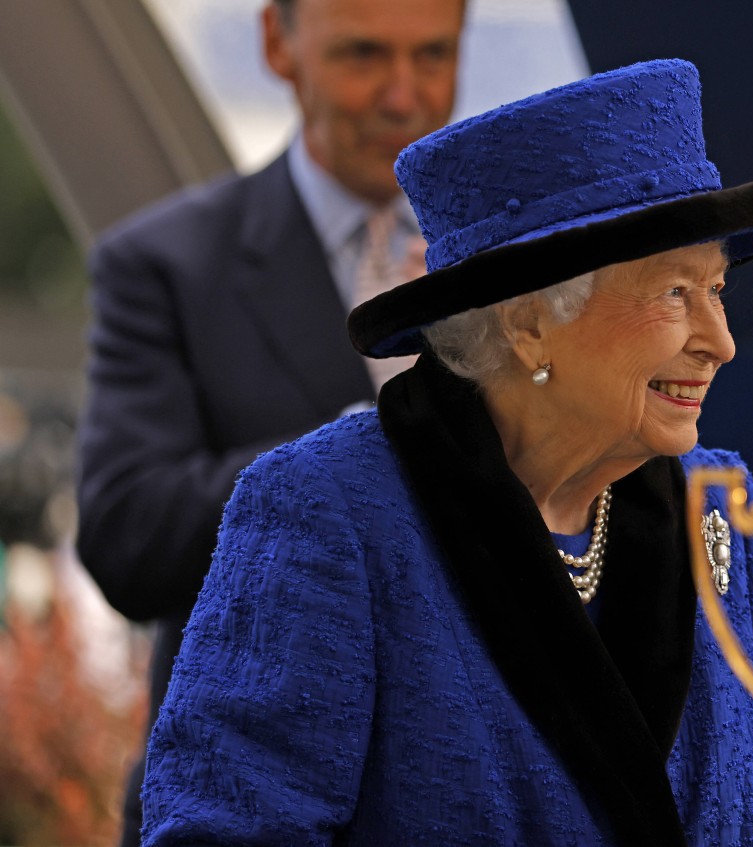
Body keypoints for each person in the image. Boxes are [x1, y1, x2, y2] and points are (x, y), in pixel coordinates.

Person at [141, 59, 753, 846]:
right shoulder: (331, 512)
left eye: (718, 290)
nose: (721, 342)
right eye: (674, 293)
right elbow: (225, 833)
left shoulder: (719, 504)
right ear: (529, 323)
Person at [73, 1, 466, 843]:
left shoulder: (515, 266)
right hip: (248, 802)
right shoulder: (164, 266)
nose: (406, 95)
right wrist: (373, 440)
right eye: (365, 55)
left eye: (433, 55)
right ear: (276, 43)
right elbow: (126, 537)